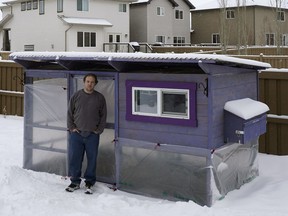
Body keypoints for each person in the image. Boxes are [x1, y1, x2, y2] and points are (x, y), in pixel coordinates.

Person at [66, 73, 107, 194]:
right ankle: (75, 182)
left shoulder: (100, 98)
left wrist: (98, 130)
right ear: (84, 82)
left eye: (92, 82)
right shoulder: (76, 96)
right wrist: (71, 128)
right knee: (75, 159)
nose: (90, 84)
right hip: (76, 134)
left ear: (95, 83)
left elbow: (103, 116)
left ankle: (89, 182)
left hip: (92, 136)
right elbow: (69, 113)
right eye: (88, 81)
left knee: (92, 159)